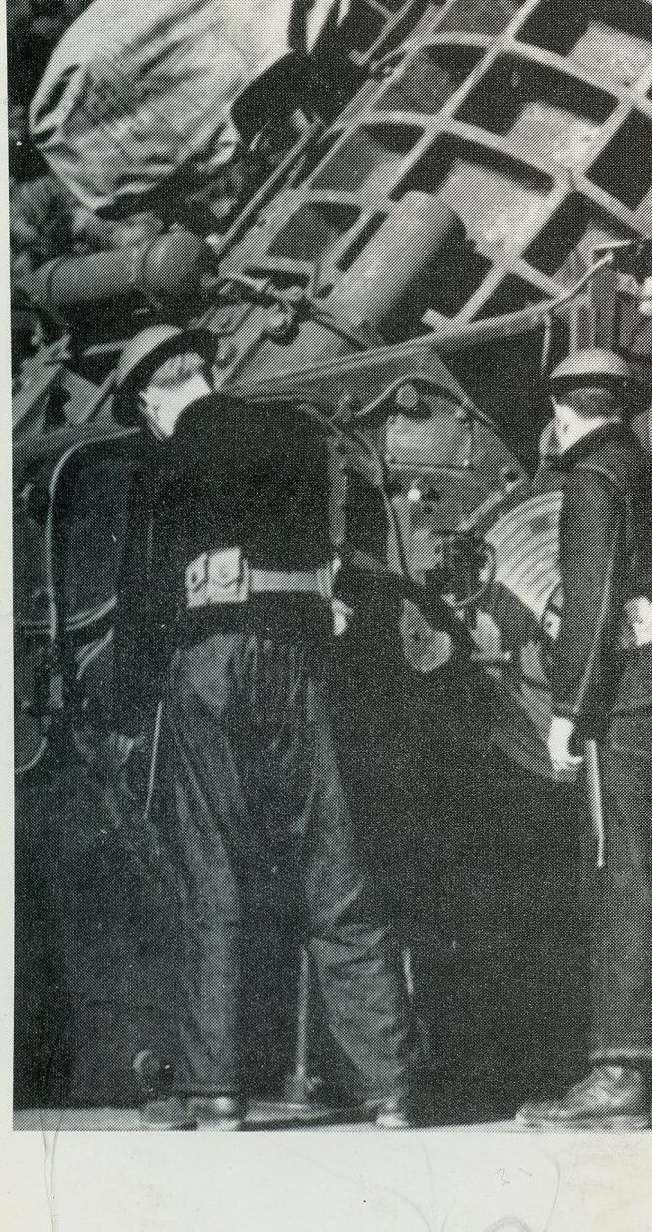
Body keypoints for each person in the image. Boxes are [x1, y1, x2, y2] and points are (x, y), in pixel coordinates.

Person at [106, 322, 418, 1132]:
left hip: (210, 663)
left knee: (214, 873)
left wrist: (127, 713)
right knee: (334, 866)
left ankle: (215, 1089)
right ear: (205, 371)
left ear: (151, 401)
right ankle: (389, 1088)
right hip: (296, 659)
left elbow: (140, 600)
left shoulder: (161, 460)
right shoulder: (291, 433)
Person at [517, 344, 652, 1132]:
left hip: (631, 698)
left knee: (625, 878)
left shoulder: (593, 479)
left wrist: (568, 709)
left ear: (561, 410)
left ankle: (620, 1072)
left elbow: (593, 596)